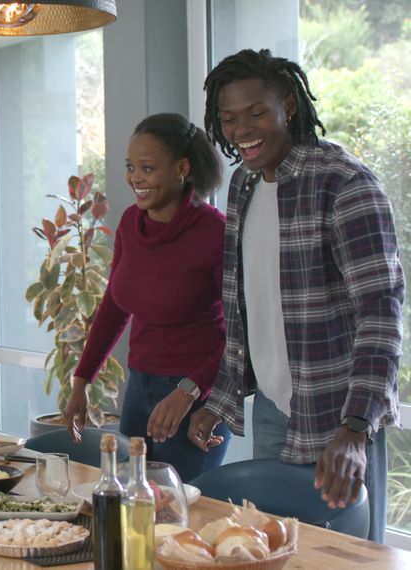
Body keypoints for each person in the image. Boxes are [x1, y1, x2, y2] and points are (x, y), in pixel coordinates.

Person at [189, 48, 404, 543]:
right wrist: (219, 400)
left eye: (256, 113)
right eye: (228, 119)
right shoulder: (243, 185)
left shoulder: (345, 184)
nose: (241, 130)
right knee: (275, 552)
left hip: (337, 417)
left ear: (288, 105)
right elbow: (248, 309)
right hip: (271, 408)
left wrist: (356, 428)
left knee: (348, 557)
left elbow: (381, 314)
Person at [62, 113, 230, 483]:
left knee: (180, 506)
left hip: (195, 396)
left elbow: (242, 334)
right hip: (140, 387)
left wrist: (190, 390)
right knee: (130, 499)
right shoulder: (129, 223)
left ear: (182, 168)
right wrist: (82, 380)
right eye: (130, 167)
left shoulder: (215, 232)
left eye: (147, 168)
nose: (135, 178)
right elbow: (114, 306)